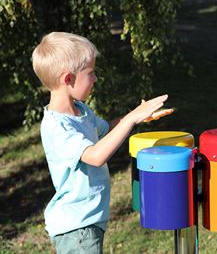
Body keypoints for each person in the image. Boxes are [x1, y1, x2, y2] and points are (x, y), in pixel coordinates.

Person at [32, 32, 172, 253]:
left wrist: (136, 117)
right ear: (68, 79)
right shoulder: (58, 127)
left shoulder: (80, 111)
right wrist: (131, 118)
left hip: (88, 222)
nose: (96, 78)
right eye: (91, 73)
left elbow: (106, 130)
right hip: (77, 228)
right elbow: (96, 156)